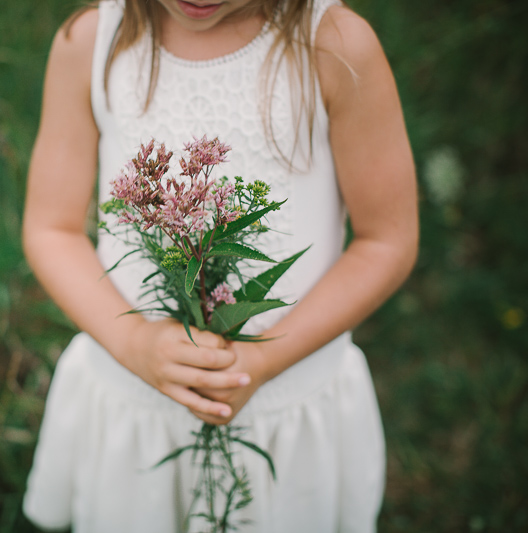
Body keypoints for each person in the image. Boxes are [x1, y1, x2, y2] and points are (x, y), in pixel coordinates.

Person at [21, 0, 418, 531]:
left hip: (282, 400)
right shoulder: (91, 43)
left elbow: (387, 240)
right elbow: (52, 229)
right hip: (135, 395)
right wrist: (136, 344)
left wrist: (261, 362)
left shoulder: (335, 46)